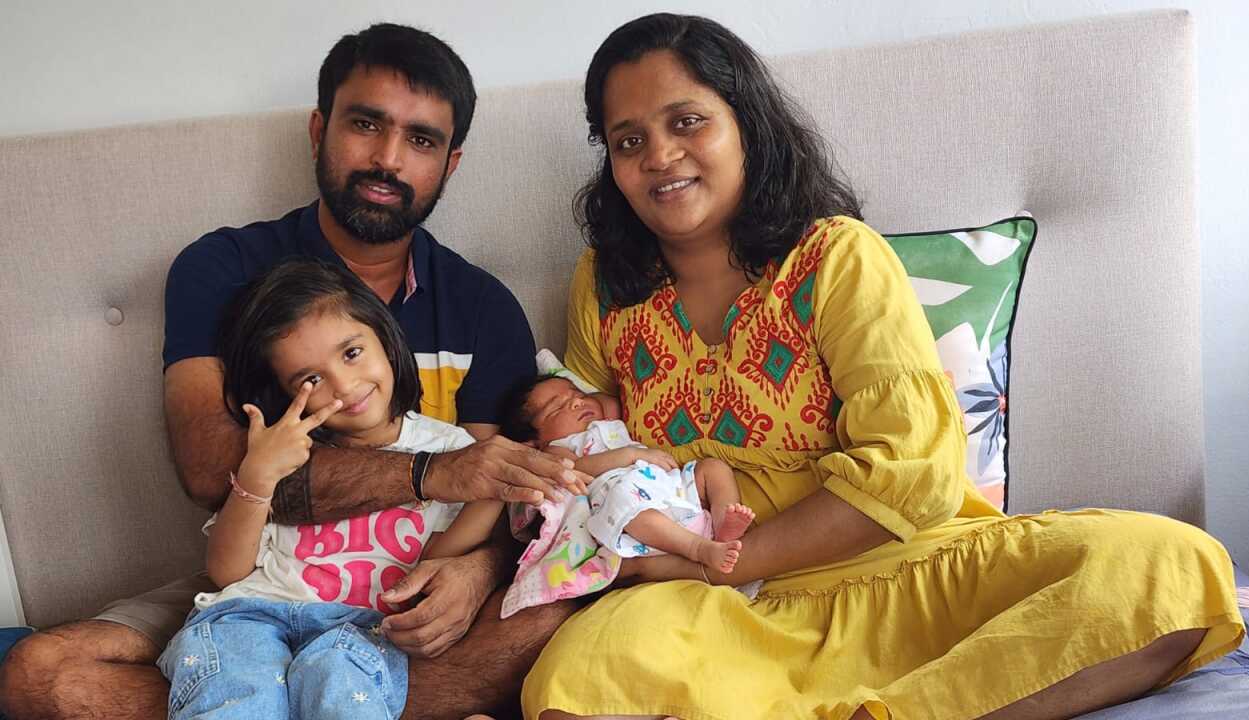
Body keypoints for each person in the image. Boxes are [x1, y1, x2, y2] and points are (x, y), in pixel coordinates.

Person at [521, 13, 1244, 720]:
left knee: (1168, 566)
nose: (658, 155)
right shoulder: (606, 285)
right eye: (628, 139)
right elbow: (578, 454)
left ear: (747, 124)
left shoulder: (837, 257)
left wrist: (730, 555)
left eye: (687, 122)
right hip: (711, 606)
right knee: (578, 678)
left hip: (896, 567)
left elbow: (912, 470)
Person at [0, 23, 585, 720]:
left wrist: (472, 570)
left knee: (554, 616)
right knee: (40, 675)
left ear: (450, 164)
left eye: (421, 140)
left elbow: (488, 491)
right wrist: (428, 474)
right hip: (265, 579)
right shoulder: (224, 270)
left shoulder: (482, 306)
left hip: (400, 592)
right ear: (319, 129)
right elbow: (208, 469)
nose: (388, 159)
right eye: (366, 124)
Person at [162, 259, 486, 718]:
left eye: (351, 353)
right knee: (237, 689)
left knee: (339, 680)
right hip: (251, 615)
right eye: (310, 379)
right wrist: (257, 475)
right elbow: (228, 572)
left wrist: (497, 483)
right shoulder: (283, 448)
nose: (344, 385)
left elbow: (443, 553)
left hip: (361, 632)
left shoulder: (450, 449)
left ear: (385, 337)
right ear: (282, 389)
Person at [502, 375, 756, 573]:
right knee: (626, 503)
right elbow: (574, 470)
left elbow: (609, 398)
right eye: (557, 408)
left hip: (669, 487)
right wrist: (630, 456)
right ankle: (699, 548)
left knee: (713, 468)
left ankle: (724, 525)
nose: (576, 402)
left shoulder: (606, 419)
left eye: (577, 394)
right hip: (624, 501)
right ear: (535, 442)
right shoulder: (558, 448)